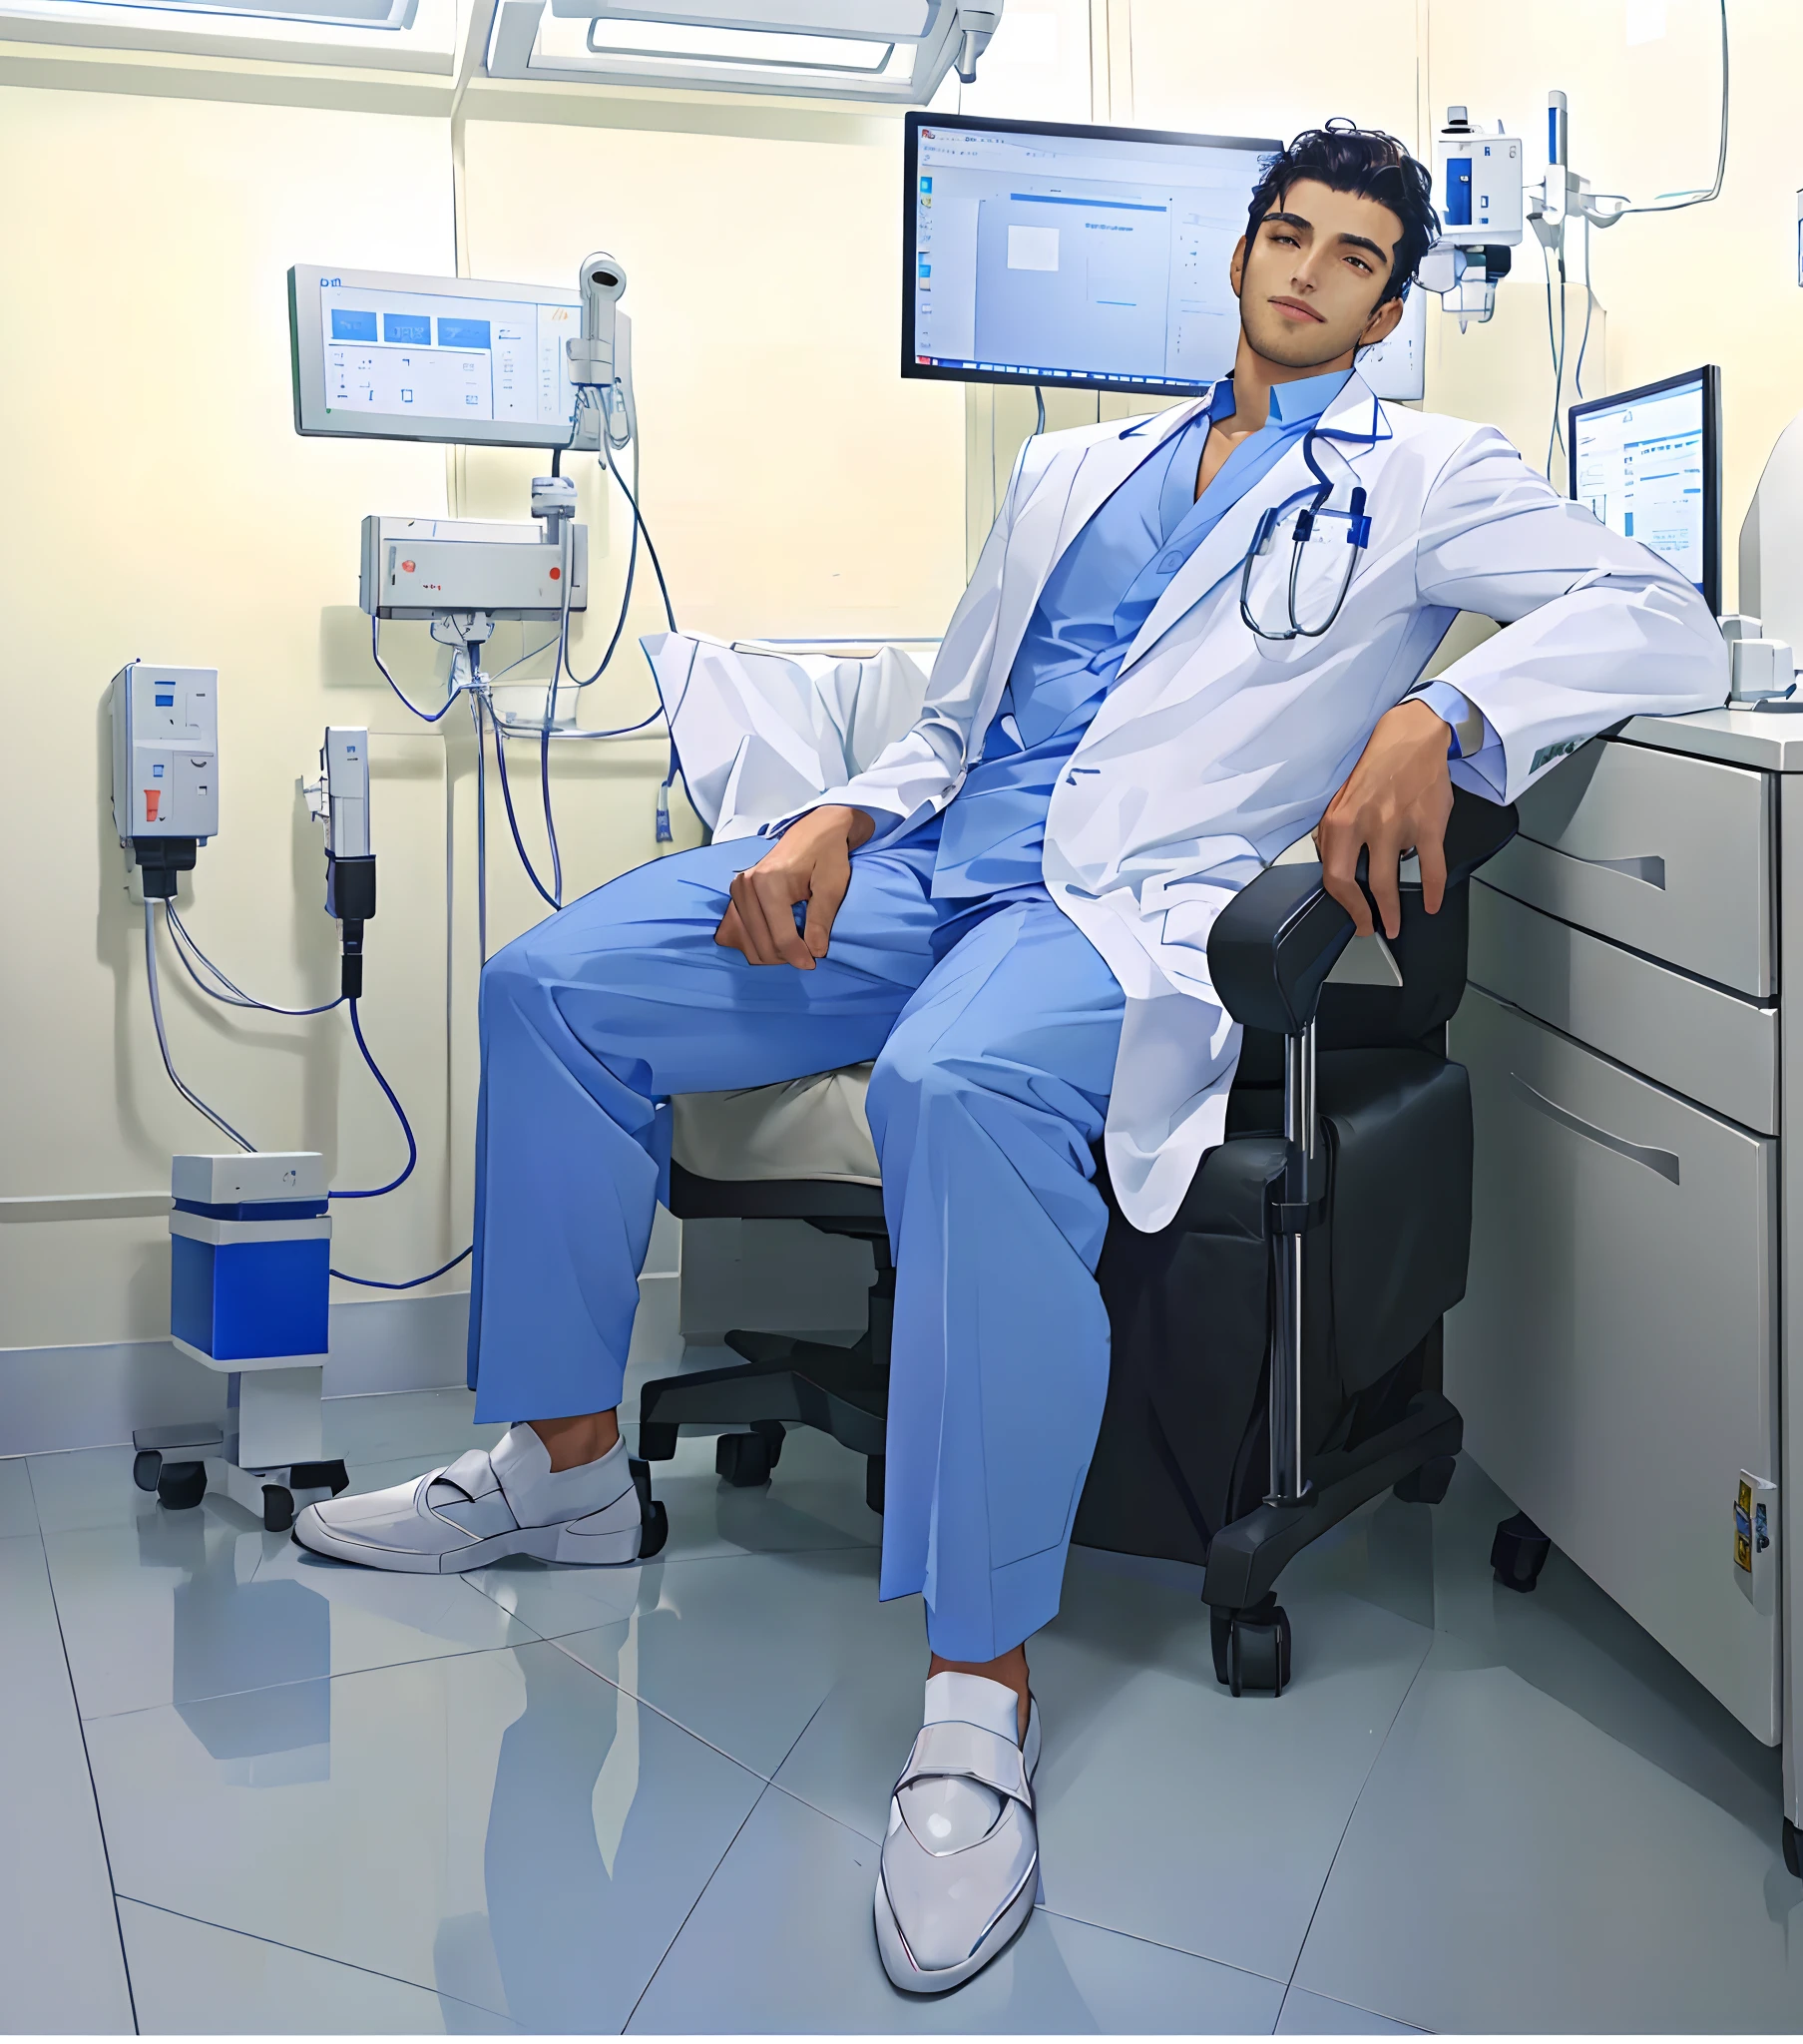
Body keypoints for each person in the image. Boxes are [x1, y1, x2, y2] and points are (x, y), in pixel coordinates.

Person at [295, 122, 1726, 1990]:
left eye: (1352, 258)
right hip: (933, 867)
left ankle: (978, 1702)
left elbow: (1662, 614)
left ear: (1387, 308)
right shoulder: (1073, 465)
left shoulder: (1429, 475)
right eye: (1284, 237)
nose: (1305, 273)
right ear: (1236, 259)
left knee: (954, 1092)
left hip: (1117, 915)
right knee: (553, 984)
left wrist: (1442, 707)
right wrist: (830, 824)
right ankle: (563, 1471)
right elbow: (961, 716)